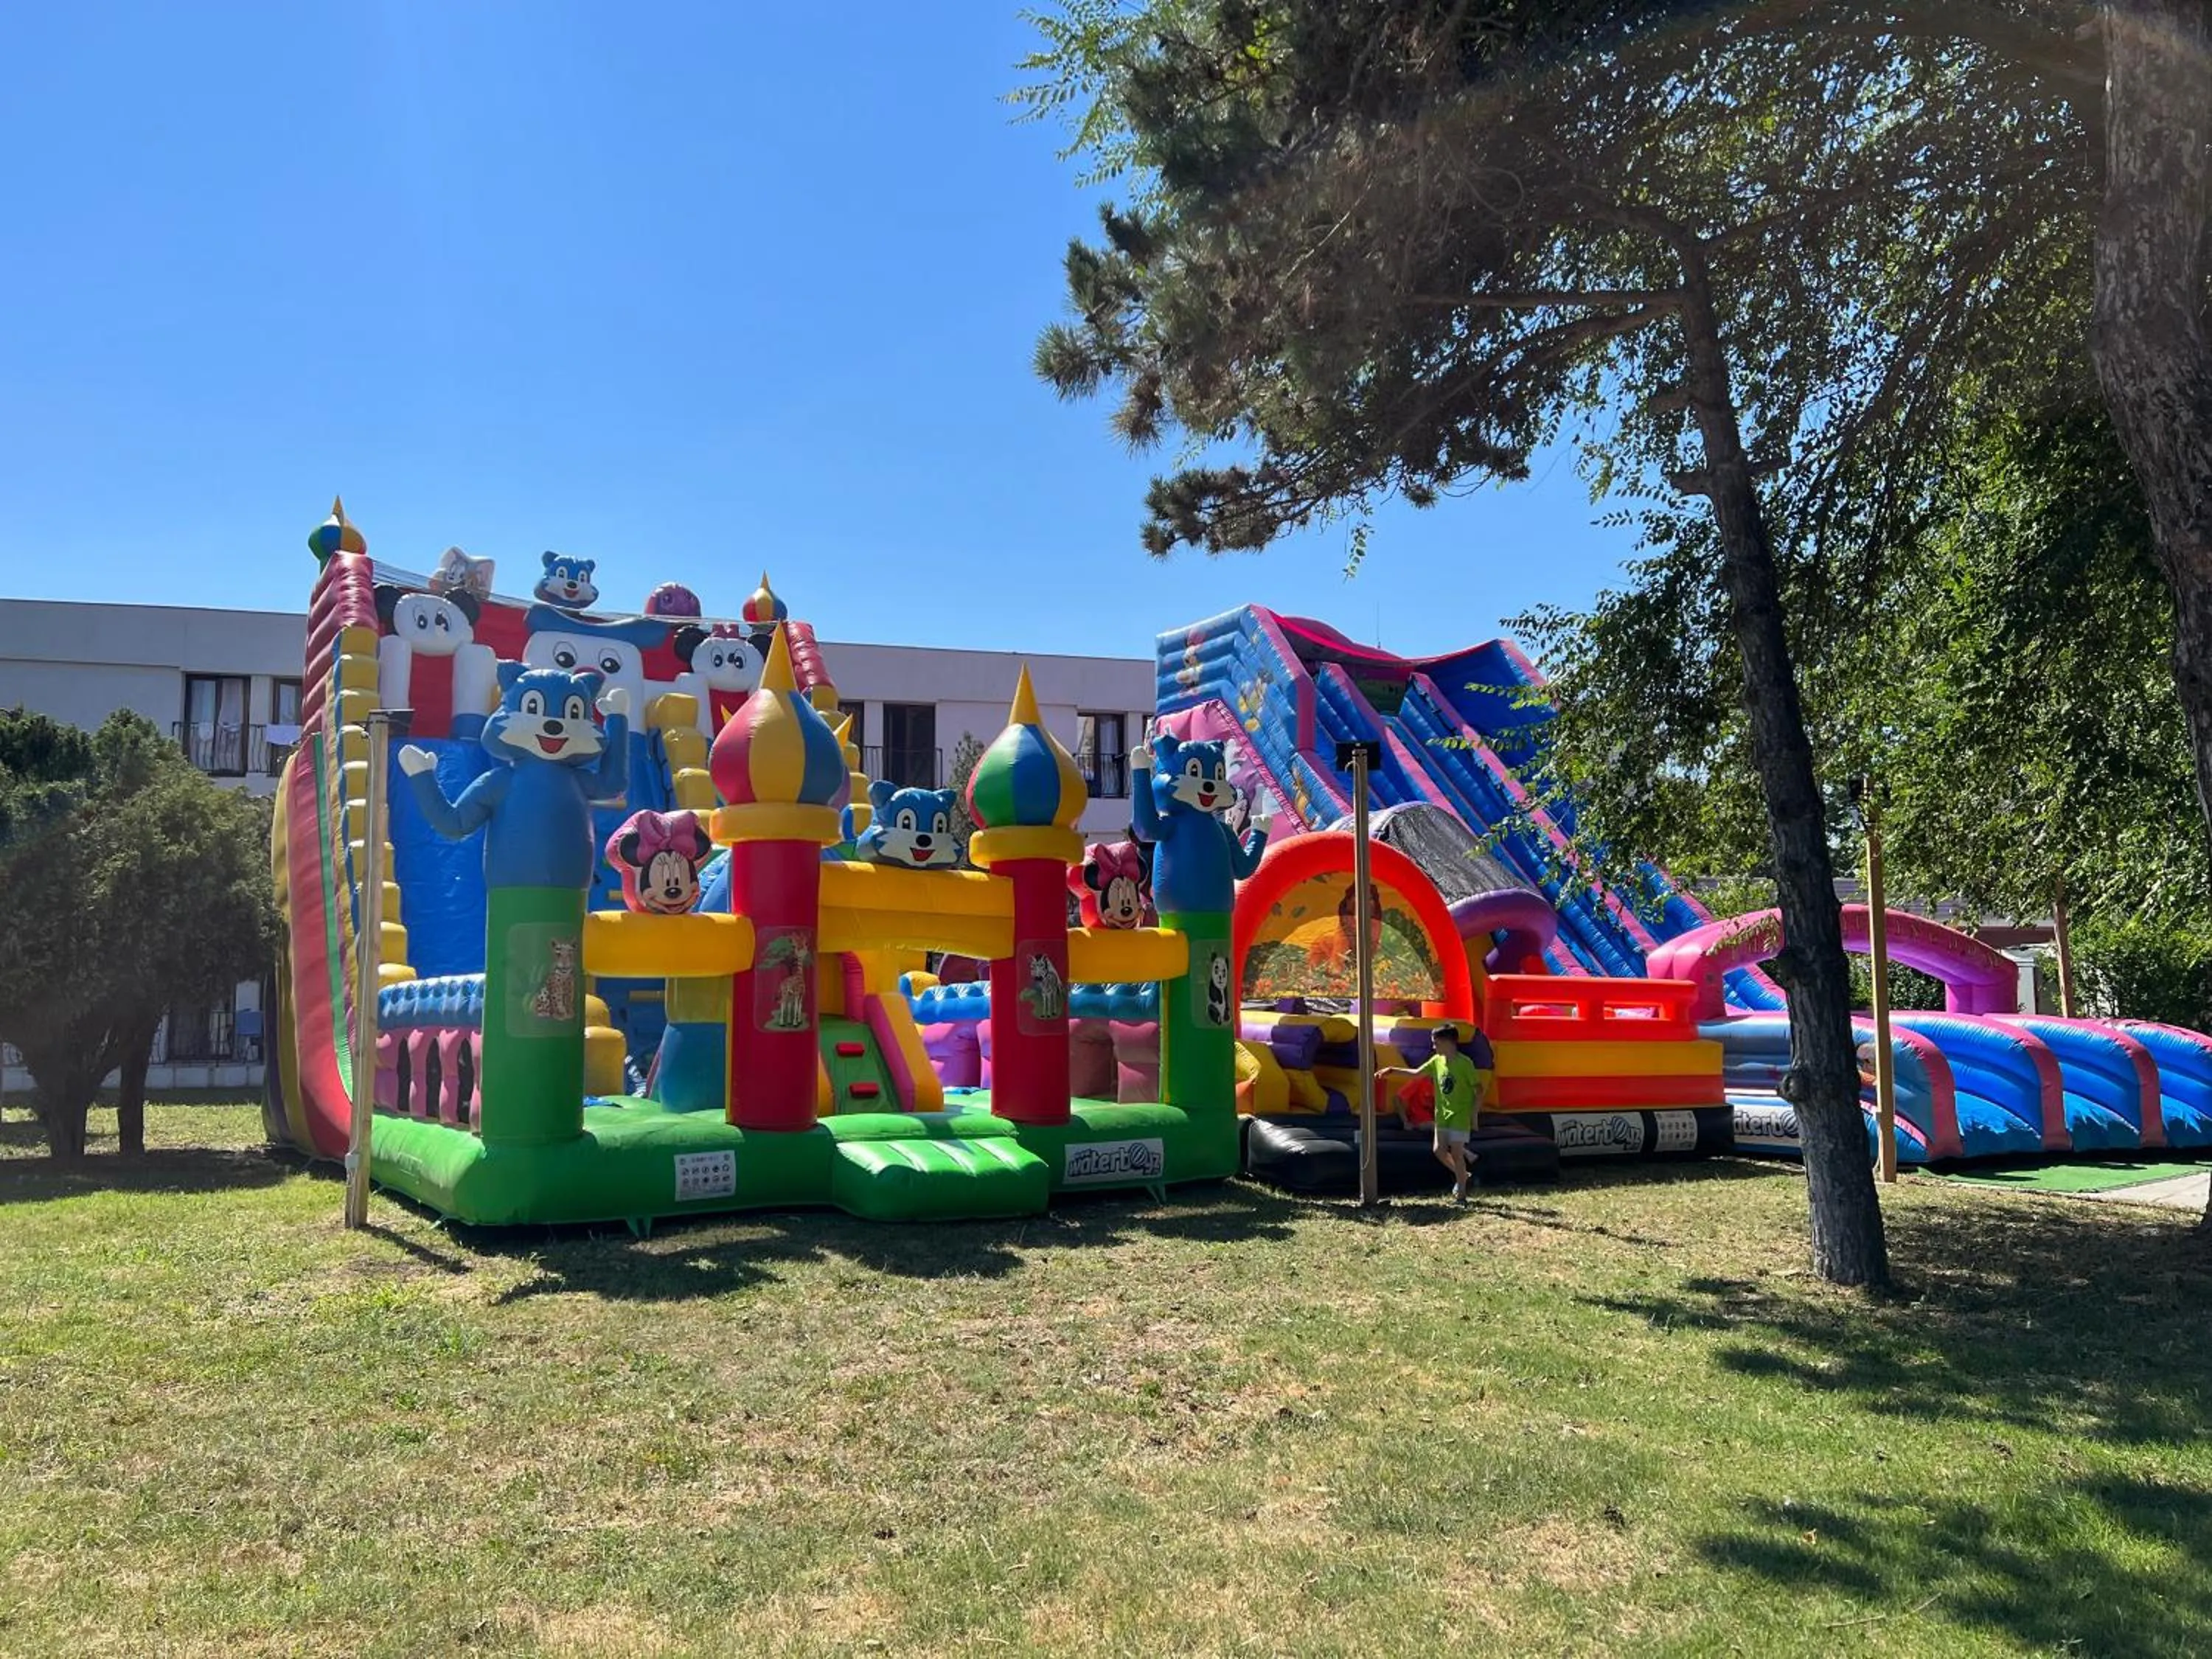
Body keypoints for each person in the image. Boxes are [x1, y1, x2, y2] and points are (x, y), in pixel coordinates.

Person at [1377, 1023, 1492, 1203]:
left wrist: (1474, 1114)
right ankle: (1463, 1176)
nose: (1433, 1047)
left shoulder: (1465, 1064)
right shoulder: (1436, 1061)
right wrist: (1392, 1070)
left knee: (1457, 1153)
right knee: (1438, 1150)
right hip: (1442, 1115)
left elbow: (1478, 1090)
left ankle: (1461, 1195)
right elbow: (1416, 1073)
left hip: (1460, 1115)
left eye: (1436, 1043)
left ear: (1448, 1042)